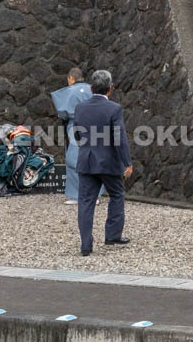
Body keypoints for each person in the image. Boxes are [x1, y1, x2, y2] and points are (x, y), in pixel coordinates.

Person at [73, 70, 132, 257]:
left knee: (85, 202)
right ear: (110, 89)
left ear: (91, 88)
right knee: (116, 194)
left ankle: (86, 245)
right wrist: (127, 162)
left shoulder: (80, 107)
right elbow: (119, 138)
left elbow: (76, 134)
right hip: (108, 161)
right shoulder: (114, 109)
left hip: (86, 160)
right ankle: (113, 235)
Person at [51, 68, 94, 206]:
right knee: (93, 158)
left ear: (71, 78)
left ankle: (78, 195)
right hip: (94, 126)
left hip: (75, 126)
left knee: (73, 160)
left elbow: (62, 112)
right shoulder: (92, 89)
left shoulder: (68, 91)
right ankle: (95, 194)